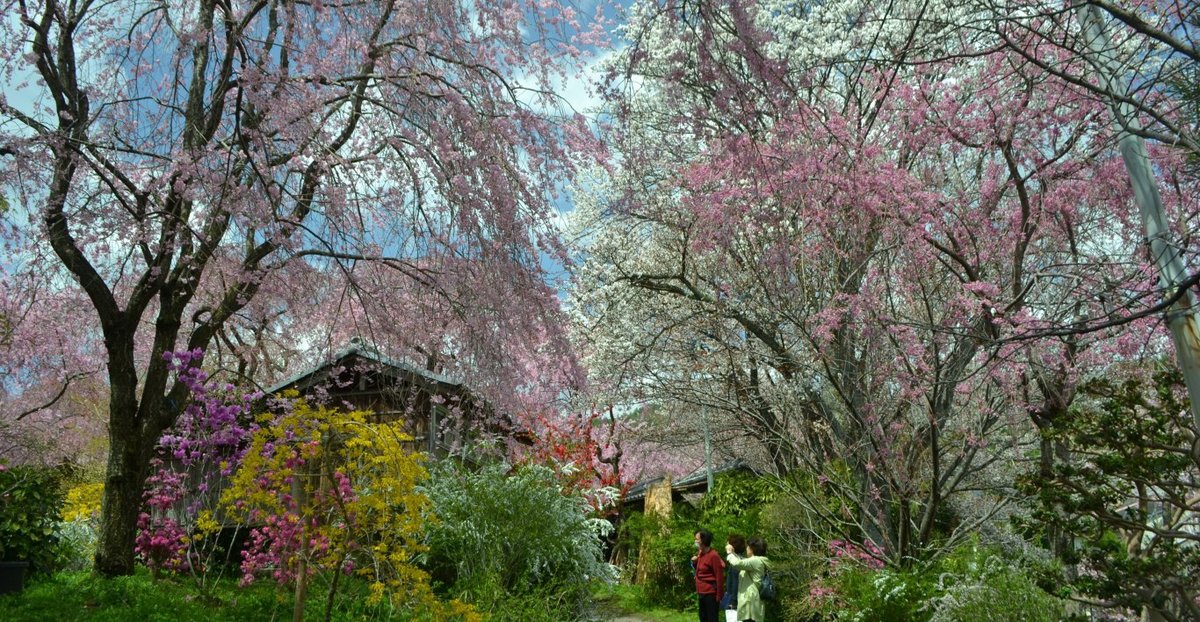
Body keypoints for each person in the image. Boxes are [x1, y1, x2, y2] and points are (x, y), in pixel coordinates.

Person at [725, 536, 770, 622]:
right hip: (753, 600)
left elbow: (737, 563)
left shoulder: (755, 561)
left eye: (748, 547)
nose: (746, 548)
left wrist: (729, 553)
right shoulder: (757, 561)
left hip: (750, 602)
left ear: (752, 549)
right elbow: (742, 561)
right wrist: (733, 554)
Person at [691, 529, 724, 622]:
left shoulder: (713, 556)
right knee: (703, 618)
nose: (695, 541)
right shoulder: (701, 553)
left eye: (697, 539)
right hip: (701, 592)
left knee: (712, 619)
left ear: (703, 540)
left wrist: (719, 596)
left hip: (710, 594)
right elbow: (699, 570)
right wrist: (694, 563)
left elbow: (719, 576)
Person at [719, 534, 746, 622]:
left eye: (728, 543)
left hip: (734, 602)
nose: (726, 545)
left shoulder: (735, 563)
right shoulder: (742, 559)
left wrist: (733, 602)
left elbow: (735, 584)